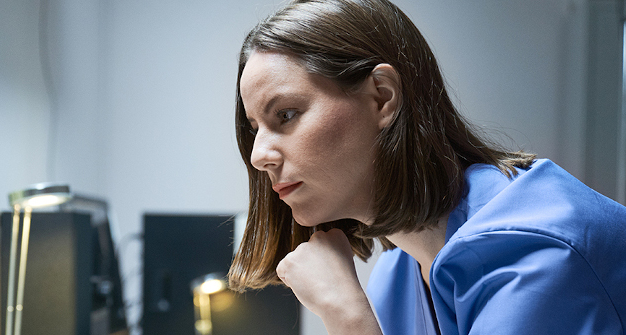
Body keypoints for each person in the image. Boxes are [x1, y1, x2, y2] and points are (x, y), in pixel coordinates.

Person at [226, 0, 626, 334]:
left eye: (287, 114)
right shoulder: (396, 276)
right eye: (255, 128)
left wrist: (348, 319)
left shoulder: (533, 253)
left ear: (382, 97)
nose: (260, 154)